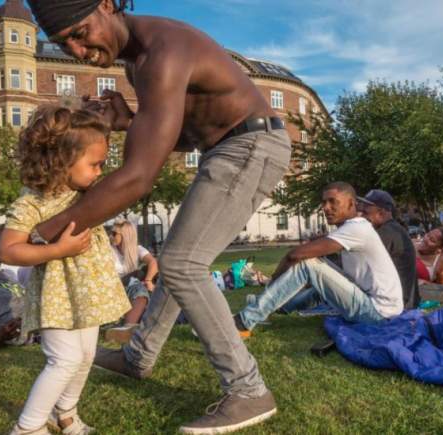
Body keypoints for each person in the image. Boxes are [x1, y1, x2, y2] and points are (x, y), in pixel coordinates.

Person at [24, 1, 290, 431]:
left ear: (108, 5)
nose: (76, 50)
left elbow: (137, 178)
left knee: (185, 264)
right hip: (228, 146)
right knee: (177, 258)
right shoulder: (140, 63)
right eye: (63, 43)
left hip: (251, 147)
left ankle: (248, 390)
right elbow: (184, 136)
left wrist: (44, 231)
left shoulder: (161, 53)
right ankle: (139, 356)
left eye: (80, 32)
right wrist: (131, 122)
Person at [0, 105, 131, 435]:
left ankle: (65, 414)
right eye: (94, 164)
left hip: (87, 294)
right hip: (57, 296)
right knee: (65, 360)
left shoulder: (87, 193)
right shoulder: (33, 202)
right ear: (60, 161)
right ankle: (28, 428)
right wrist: (56, 250)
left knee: (86, 356)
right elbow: (8, 249)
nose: (100, 171)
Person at [235, 182, 403, 335]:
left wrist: (271, 284)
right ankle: (276, 305)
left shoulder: (357, 229)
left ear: (352, 204)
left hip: (378, 314)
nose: (326, 208)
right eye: (323, 202)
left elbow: (294, 255)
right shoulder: (353, 228)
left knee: (308, 264)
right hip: (378, 308)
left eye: (333, 202)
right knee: (319, 270)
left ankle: (245, 321)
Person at [357, 190, 418, 308]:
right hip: (399, 300)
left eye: (366, 212)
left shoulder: (387, 232)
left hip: (396, 305)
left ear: (381, 212)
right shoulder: (392, 229)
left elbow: (358, 263)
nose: (362, 217)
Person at [105, 219, 159, 343]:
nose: (110, 236)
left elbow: (153, 262)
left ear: (125, 235)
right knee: (138, 284)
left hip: (130, 286)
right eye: (111, 232)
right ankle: (128, 327)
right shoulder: (108, 250)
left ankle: (126, 327)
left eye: (114, 233)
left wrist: (148, 280)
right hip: (113, 287)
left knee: (143, 283)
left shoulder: (137, 249)